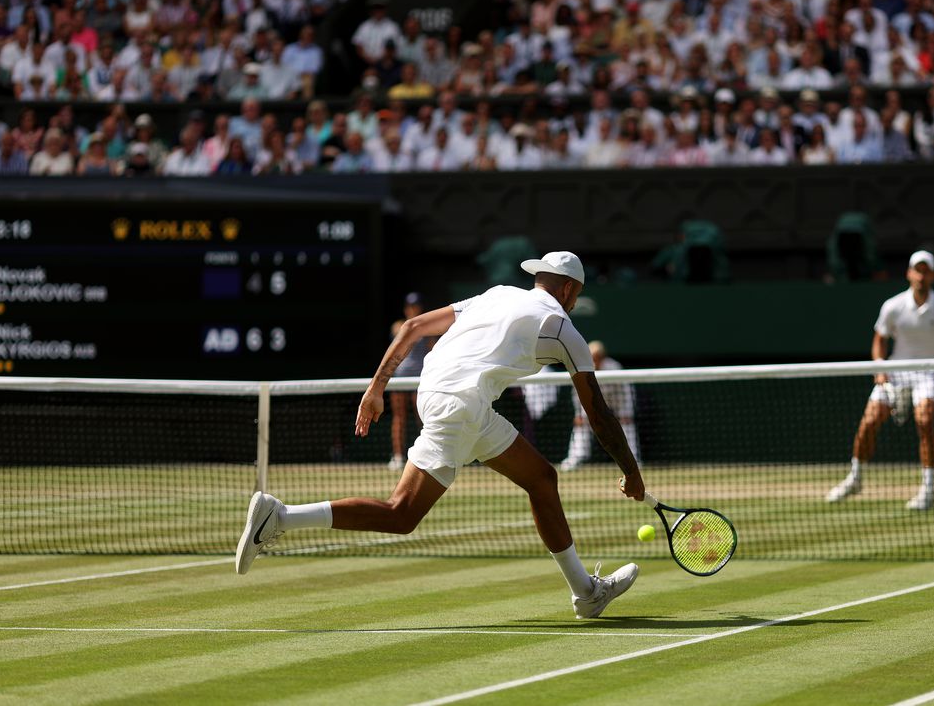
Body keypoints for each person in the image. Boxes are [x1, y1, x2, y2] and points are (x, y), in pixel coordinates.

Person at [236, 252, 645, 620]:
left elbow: (413, 327)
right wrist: (631, 470)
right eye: (575, 295)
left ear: (540, 277)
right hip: (460, 406)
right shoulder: (563, 329)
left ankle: (586, 593)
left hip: (438, 394)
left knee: (541, 478)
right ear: (570, 288)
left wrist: (376, 387)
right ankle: (282, 516)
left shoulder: (496, 294)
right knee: (402, 514)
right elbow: (599, 414)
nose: (573, 302)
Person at [826, 251, 934, 510]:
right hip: (896, 371)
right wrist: (880, 368)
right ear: (909, 273)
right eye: (917, 270)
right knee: (869, 422)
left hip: (929, 372)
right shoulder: (893, 306)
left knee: (925, 420)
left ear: (933, 275)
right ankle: (855, 478)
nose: (921, 276)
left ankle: (928, 489)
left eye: (926, 271)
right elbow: (880, 339)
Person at [560, 341, 641, 472]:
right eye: (591, 357)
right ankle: (574, 459)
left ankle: (634, 460)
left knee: (627, 425)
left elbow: (626, 392)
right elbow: (577, 393)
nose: (594, 361)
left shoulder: (614, 368)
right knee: (581, 426)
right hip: (593, 403)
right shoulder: (582, 367)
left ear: (602, 357)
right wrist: (578, 415)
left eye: (596, 358)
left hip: (617, 404)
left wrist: (626, 413)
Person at [387, 292, 434, 471]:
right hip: (399, 379)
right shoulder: (399, 326)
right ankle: (398, 457)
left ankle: (426, 454)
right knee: (399, 417)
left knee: (422, 417)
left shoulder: (426, 328)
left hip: (419, 379)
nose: (413, 309)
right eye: (410, 306)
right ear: (406, 308)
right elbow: (399, 337)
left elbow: (431, 349)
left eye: (416, 305)